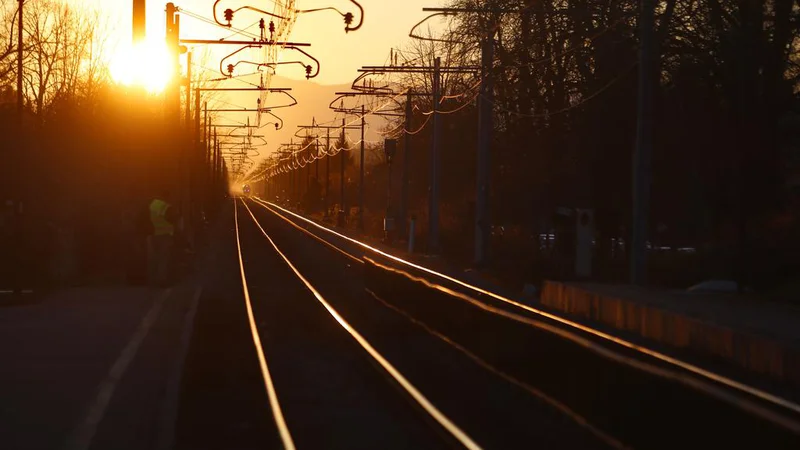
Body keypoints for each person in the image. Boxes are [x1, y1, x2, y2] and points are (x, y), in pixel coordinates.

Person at [148, 189, 176, 287]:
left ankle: (152, 280)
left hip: (153, 234)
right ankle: (162, 280)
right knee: (163, 259)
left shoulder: (153, 204)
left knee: (154, 258)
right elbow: (171, 218)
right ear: (167, 196)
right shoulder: (165, 206)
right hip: (164, 235)